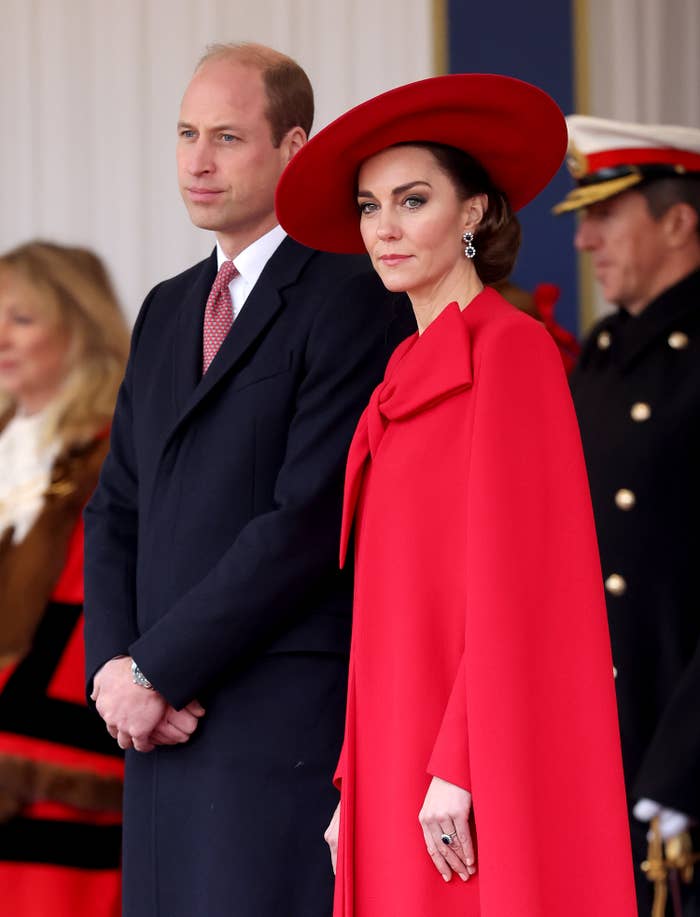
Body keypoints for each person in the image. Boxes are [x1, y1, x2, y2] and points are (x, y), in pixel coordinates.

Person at [275, 74, 638, 916]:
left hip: (469, 752)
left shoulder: (512, 352)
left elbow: (526, 583)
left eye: (412, 199)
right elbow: (391, 605)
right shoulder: (400, 370)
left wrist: (459, 761)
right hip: (393, 743)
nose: (385, 228)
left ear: (473, 212)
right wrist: (353, 778)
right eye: (370, 206)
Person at [83, 42, 411, 917]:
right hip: (157, 731)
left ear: (295, 147)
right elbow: (115, 505)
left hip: (270, 719)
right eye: (187, 133)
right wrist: (115, 674)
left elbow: (305, 520)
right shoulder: (164, 306)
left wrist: (157, 668)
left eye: (227, 136)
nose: (197, 160)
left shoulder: (351, 291)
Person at [555, 115, 700, 916]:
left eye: (606, 215)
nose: (585, 241)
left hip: (679, 755)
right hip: (604, 740)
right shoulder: (605, 353)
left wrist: (684, 766)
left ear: (678, 219)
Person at [0, 241, 129, 915]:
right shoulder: (6, 443)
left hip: (44, 758)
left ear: (78, 324)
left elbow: (90, 605)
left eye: (20, 317)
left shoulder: (110, 455)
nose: (0, 335)